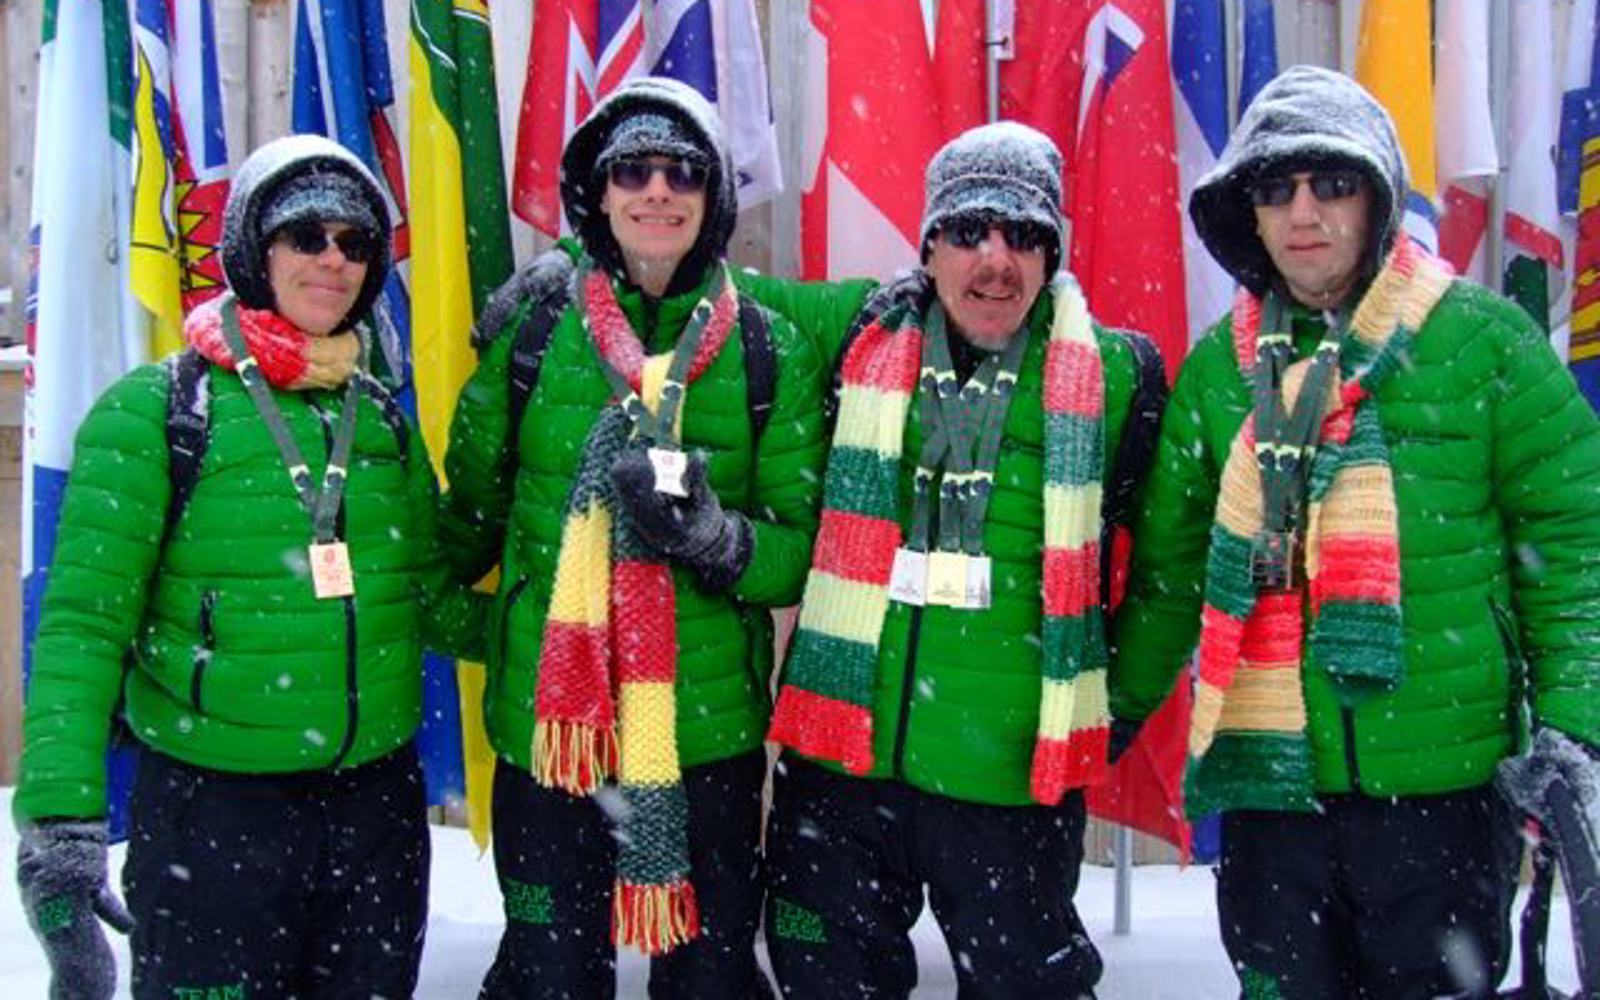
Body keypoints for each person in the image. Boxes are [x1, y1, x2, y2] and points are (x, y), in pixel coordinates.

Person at [1110, 65, 1600, 1000]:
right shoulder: (1218, 373)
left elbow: (1579, 546)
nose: (1304, 212)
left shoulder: (1484, 344)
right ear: (1246, 214)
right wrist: (1107, 719)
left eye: (1332, 184)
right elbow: (1171, 580)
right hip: (1269, 794)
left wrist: (1575, 725)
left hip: (1442, 795)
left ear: (1378, 198)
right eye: (1276, 188)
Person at [12, 133, 486, 998]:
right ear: (253, 250)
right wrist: (59, 829)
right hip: (213, 818)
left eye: (356, 243)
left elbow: (432, 599)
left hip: (374, 813)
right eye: (307, 235)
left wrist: (575, 627)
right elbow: (81, 626)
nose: (333, 260)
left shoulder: (379, 419)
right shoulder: (157, 412)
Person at [749, 121, 1164, 999]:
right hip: (842, 773)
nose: (995, 261)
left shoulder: (1118, 377)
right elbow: (703, 285)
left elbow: (1165, 577)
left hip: (1010, 785)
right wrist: (577, 261)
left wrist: (1108, 709)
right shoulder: (860, 329)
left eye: (1024, 236)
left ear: (1053, 255)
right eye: (971, 231)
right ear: (931, 243)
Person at [440, 77, 824, 997]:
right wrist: (505, 632)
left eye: (683, 171)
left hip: (706, 741)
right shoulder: (532, 334)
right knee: (552, 975)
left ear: (714, 199)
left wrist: (717, 539)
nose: (659, 190)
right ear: (599, 195)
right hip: (552, 739)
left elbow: (796, 556)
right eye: (634, 171)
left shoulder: (770, 349)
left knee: (709, 977)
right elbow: (460, 534)